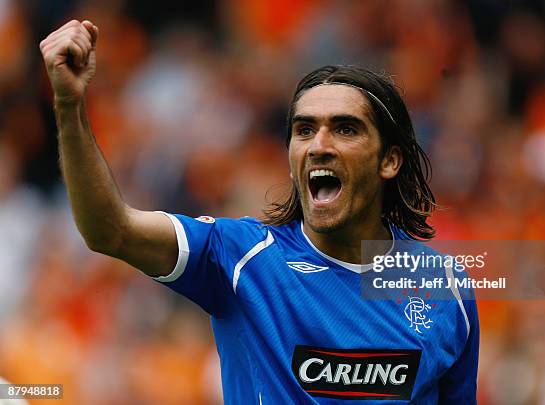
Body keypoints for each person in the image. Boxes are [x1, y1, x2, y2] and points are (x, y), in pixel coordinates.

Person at [40, 20, 479, 404]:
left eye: (345, 129)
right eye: (304, 129)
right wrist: (69, 107)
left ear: (389, 160)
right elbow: (109, 230)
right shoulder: (240, 258)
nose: (319, 145)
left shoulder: (444, 288)